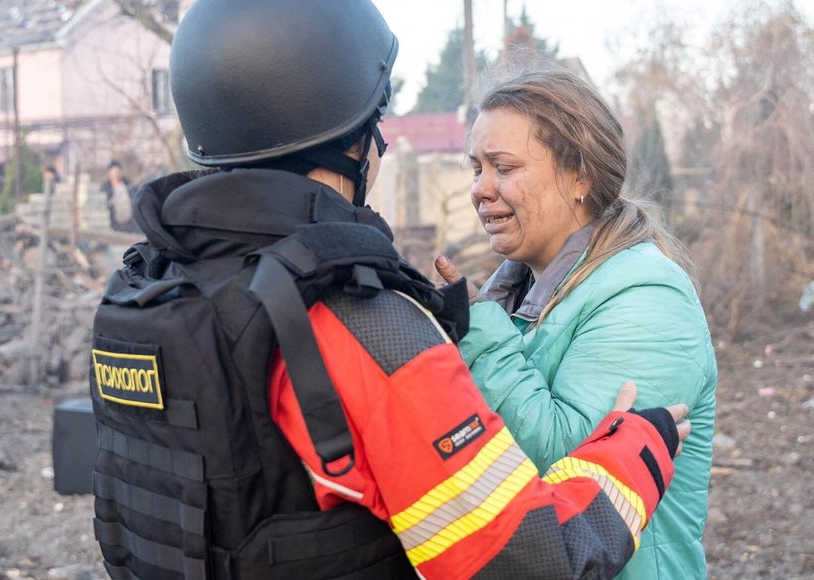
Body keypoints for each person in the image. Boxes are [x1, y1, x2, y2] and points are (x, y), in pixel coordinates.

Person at [89, 1, 692, 579]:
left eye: (502, 167)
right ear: (355, 141)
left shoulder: (145, 290)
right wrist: (637, 444)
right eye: (375, 126)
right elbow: (532, 558)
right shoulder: (360, 321)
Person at [435, 68, 718, 580]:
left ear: (580, 174)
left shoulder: (647, 297)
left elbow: (574, 481)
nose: (480, 188)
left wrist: (475, 331)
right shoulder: (518, 297)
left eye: (503, 167)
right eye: (476, 168)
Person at [100, 159, 137, 232]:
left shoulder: (128, 185)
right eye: (113, 171)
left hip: (130, 224)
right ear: (109, 172)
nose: (116, 173)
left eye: (117, 171)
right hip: (113, 224)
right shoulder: (106, 188)